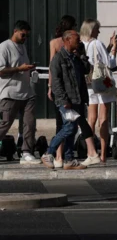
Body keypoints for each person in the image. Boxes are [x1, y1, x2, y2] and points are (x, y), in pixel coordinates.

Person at [43, 31, 94, 171]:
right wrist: (64, 99)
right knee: (69, 127)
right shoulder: (58, 59)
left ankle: (69, 159)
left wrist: (83, 54)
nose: (79, 42)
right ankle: (48, 153)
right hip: (65, 100)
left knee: (72, 130)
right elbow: (56, 82)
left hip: (77, 98)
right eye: (77, 40)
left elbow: (86, 70)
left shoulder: (76, 57)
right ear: (67, 40)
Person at [79, 19, 117, 165]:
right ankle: (103, 154)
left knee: (91, 118)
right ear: (92, 30)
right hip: (102, 83)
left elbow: (96, 59)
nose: (99, 32)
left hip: (89, 83)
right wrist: (114, 48)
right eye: (97, 29)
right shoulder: (97, 43)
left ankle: (91, 152)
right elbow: (109, 63)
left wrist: (108, 45)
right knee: (103, 119)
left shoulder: (83, 44)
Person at [0, 20, 38, 164]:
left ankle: (26, 152)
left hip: (27, 92)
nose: (25, 38)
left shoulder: (22, 47)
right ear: (16, 31)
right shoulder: (4, 47)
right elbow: (1, 71)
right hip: (10, 92)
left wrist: (29, 69)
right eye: (23, 35)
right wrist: (19, 69)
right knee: (5, 124)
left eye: (27, 36)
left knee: (29, 123)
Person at [48, 15, 76, 165]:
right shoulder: (69, 43)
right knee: (68, 122)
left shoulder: (54, 42)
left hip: (58, 86)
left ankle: (59, 156)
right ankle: (60, 155)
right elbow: (54, 65)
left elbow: (51, 67)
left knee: (61, 122)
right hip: (67, 87)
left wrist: (50, 86)